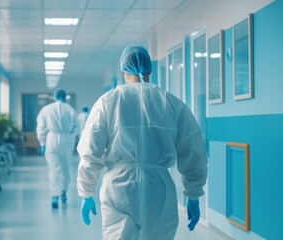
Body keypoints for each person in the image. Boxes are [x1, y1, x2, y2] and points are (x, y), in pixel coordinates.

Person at [77, 45, 207, 239]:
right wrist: (193, 194)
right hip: (159, 189)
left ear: (123, 71)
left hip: (119, 189)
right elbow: (192, 151)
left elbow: (91, 150)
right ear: (150, 70)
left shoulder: (108, 102)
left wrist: (86, 191)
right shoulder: (171, 103)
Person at [36, 88, 80, 209]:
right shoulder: (70, 110)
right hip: (67, 140)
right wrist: (71, 136)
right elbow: (77, 127)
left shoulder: (46, 110)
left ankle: (54, 196)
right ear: (65, 97)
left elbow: (41, 127)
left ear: (54, 97)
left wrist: (42, 143)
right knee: (66, 168)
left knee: (54, 170)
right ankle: (64, 192)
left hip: (52, 139)